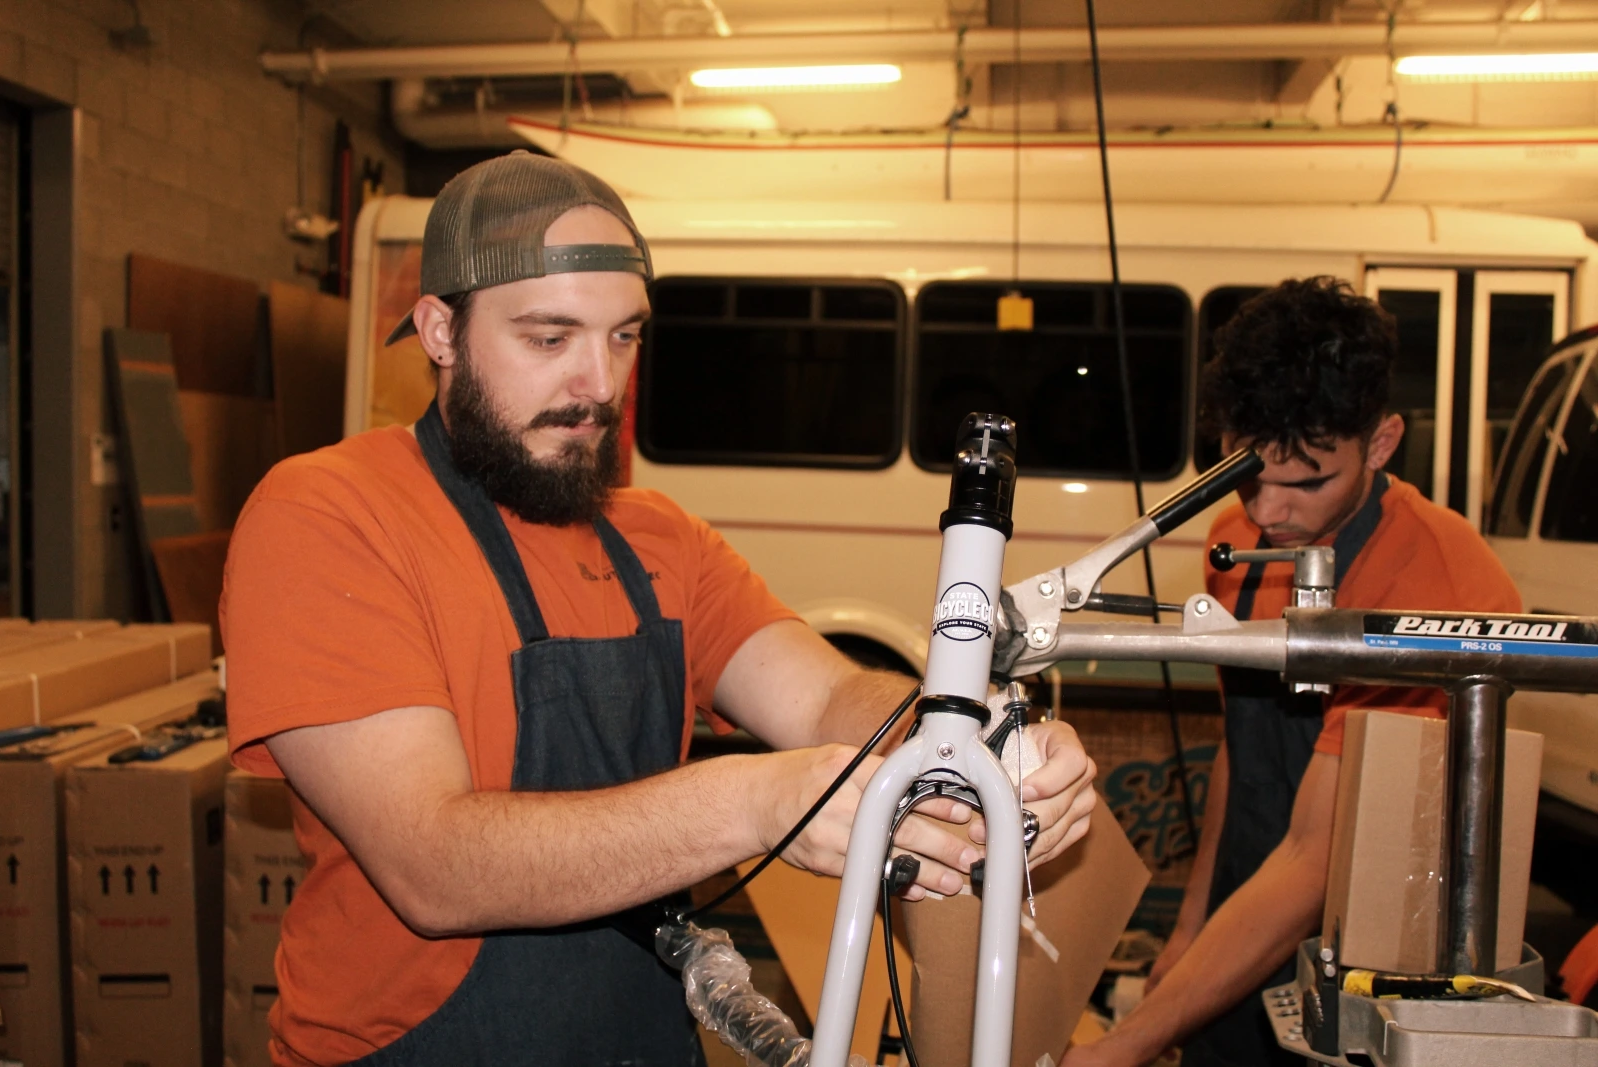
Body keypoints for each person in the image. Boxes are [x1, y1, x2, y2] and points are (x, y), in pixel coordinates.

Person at [221, 151, 1098, 1067]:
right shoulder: (330, 513)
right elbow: (432, 864)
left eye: (625, 337)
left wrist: (971, 736)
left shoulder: (655, 539)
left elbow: (827, 695)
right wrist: (759, 800)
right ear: (440, 328)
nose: (599, 385)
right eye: (549, 338)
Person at [1061, 277, 1522, 1067]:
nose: (1267, 511)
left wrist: (1126, 1043)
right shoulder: (1235, 544)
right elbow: (1242, 755)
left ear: (1380, 444)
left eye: (1306, 480)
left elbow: (1318, 857)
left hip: (1367, 957)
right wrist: (1189, 931)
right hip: (1241, 927)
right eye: (1247, 472)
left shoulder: (1437, 589)